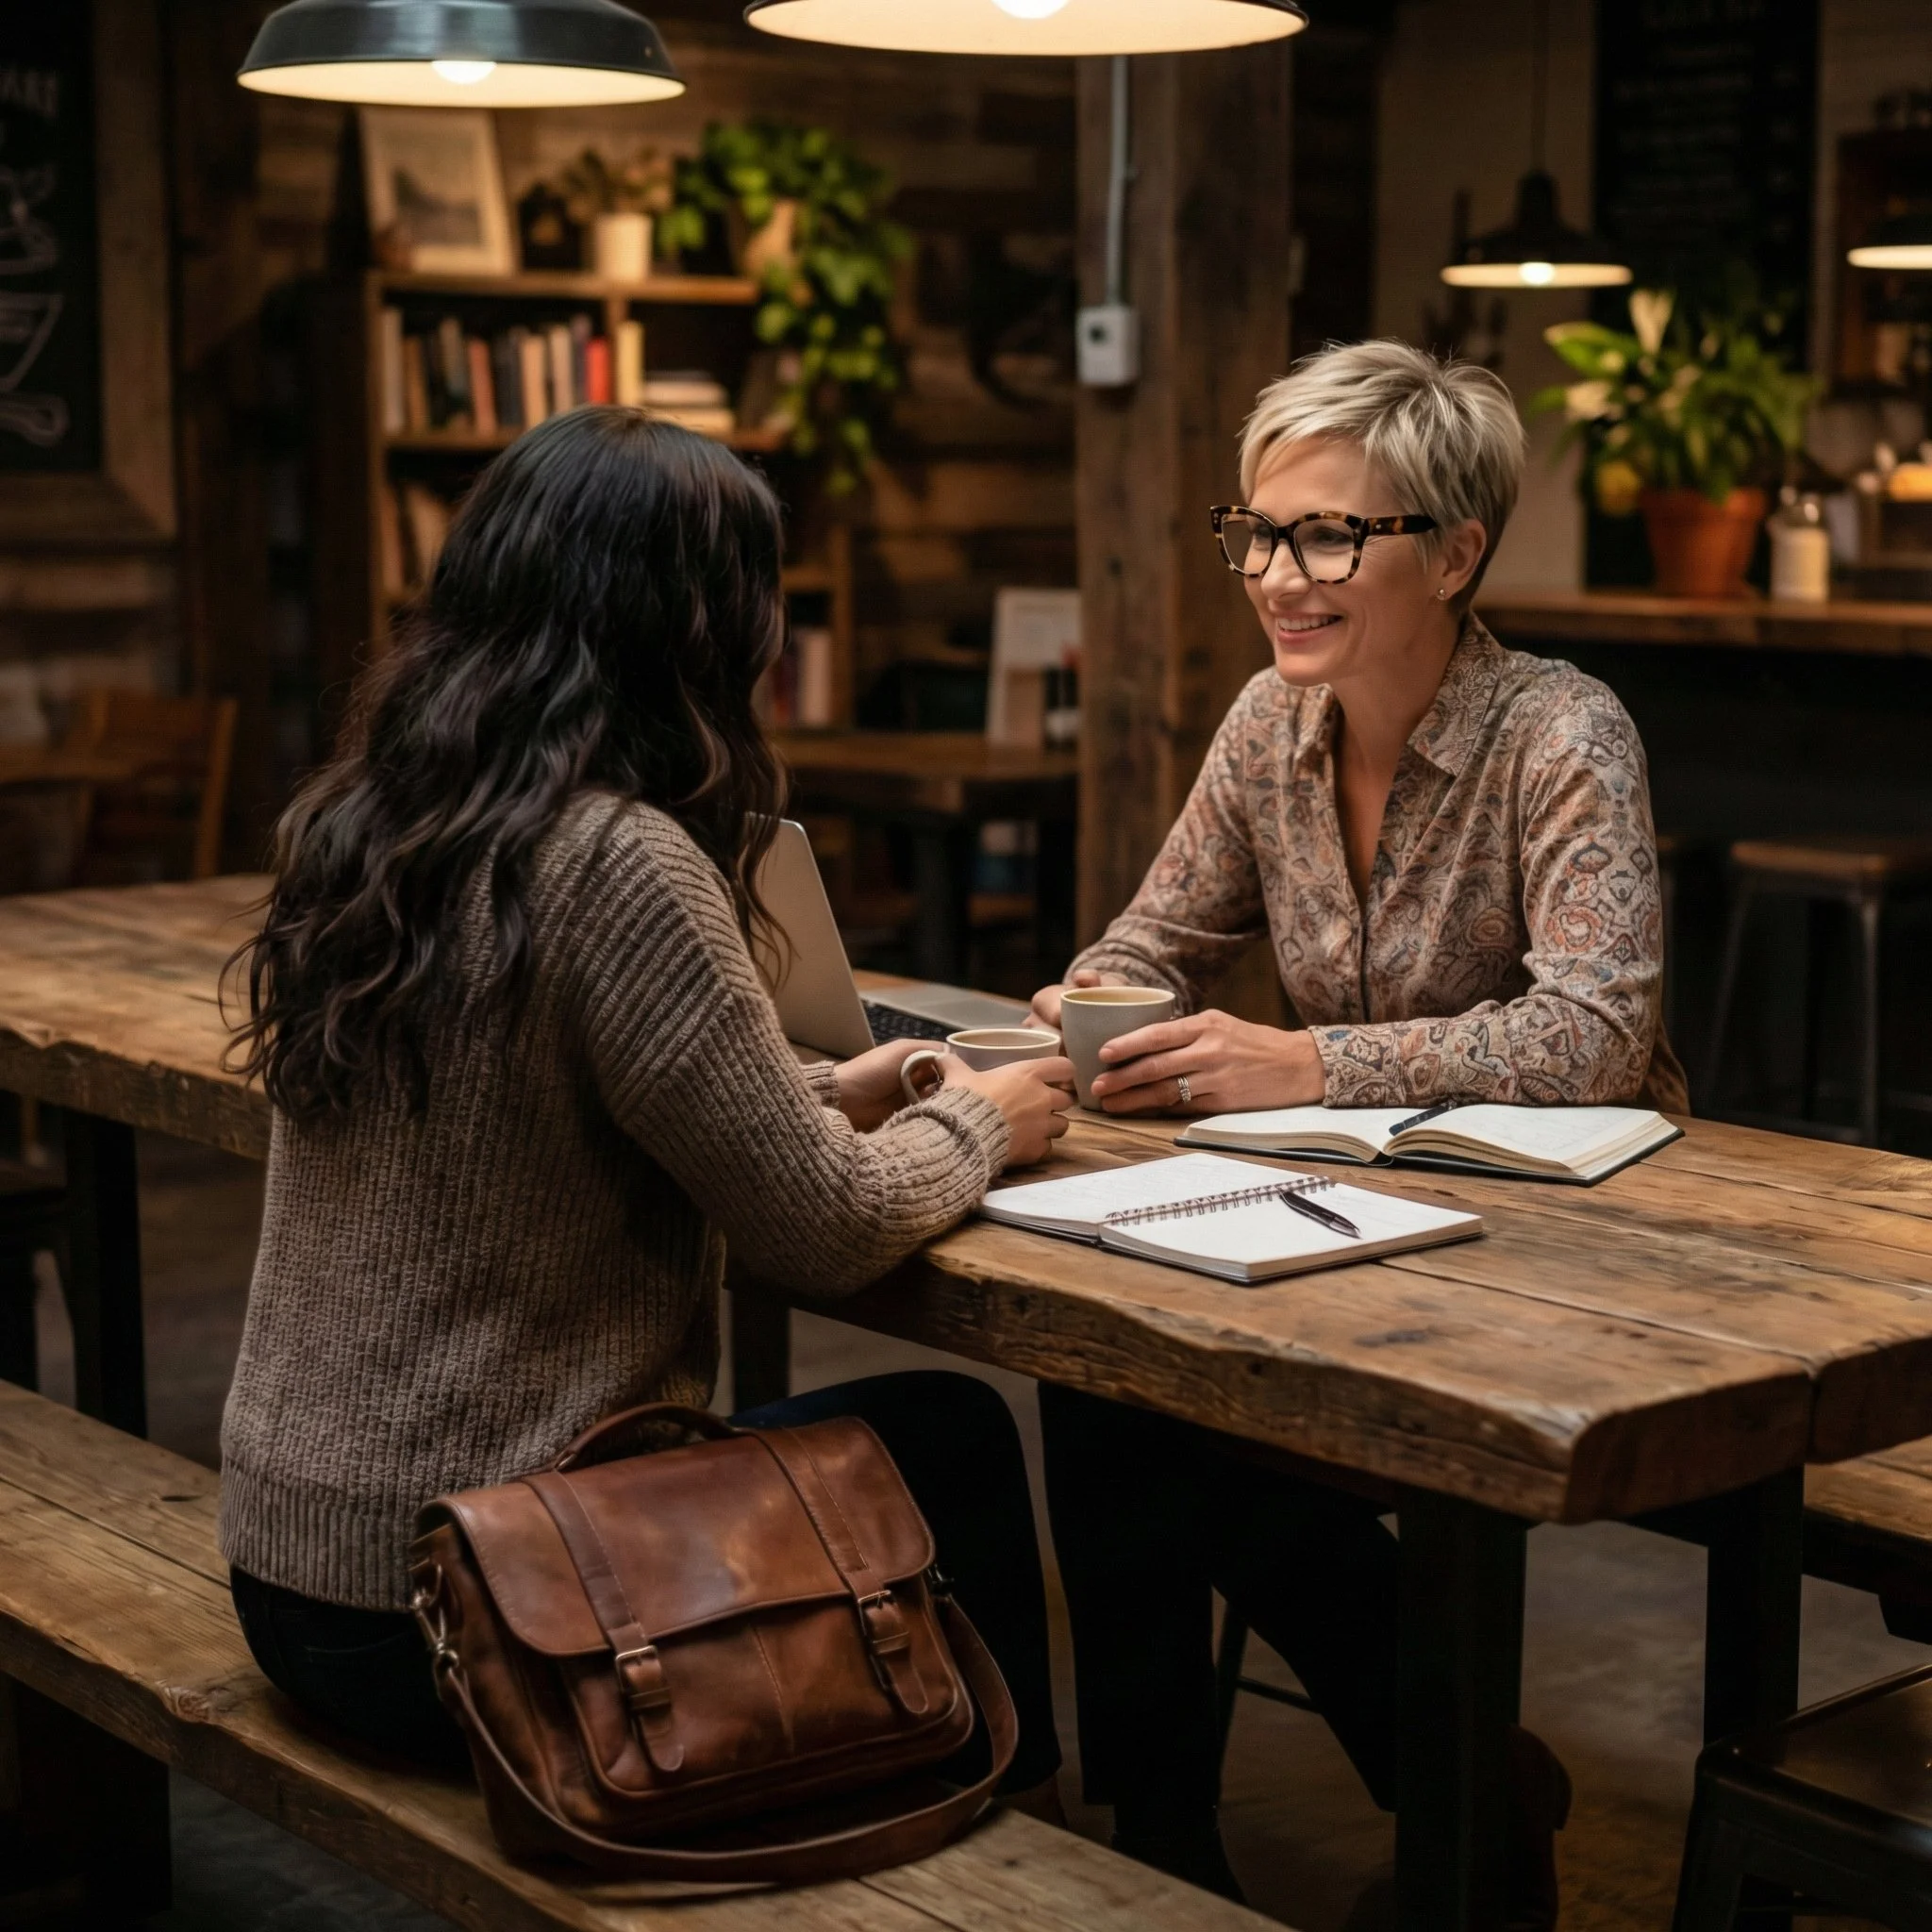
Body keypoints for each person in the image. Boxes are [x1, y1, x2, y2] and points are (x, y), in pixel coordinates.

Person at [220, 407, 1074, 1807]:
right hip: (483, 1606)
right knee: (949, 1434)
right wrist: (987, 1122)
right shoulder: (620, 859)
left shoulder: (375, 820)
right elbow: (828, 1232)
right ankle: (990, 1835)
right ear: (690, 623)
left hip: (297, 1580)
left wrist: (833, 1087)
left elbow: (538, 1107)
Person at [1031, 340, 1679, 1920]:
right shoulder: (1271, 725)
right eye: (1255, 532)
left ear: (1456, 553)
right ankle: (1164, 1838)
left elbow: (1597, 1031)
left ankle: (1456, 1782)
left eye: (1328, 535)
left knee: (1229, 1443)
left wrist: (1308, 1063)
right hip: (1355, 1224)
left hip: (1572, 1244)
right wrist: (1097, 1004)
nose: (1277, 574)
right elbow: (1147, 938)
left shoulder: (1559, 731)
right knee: (1105, 1374)